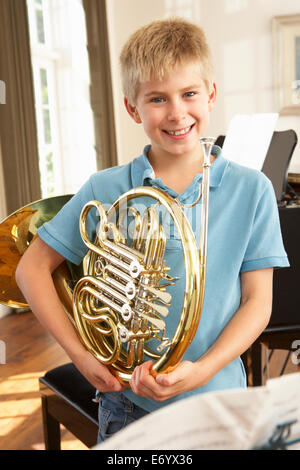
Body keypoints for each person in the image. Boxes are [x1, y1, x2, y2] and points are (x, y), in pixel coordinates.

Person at [15, 17, 289, 443]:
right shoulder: (104, 188)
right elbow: (30, 269)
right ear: (132, 107)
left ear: (211, 95)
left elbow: (258, 302)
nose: (177, 112)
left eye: (189, 93)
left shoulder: (251, 190)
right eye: (157, 99)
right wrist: (81, 355)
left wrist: (202, 369)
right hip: (129, 404)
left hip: (218, 392)